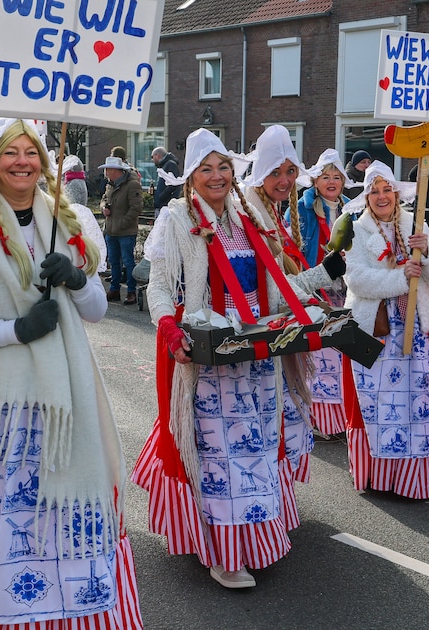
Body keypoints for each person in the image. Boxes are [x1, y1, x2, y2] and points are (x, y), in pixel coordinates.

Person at [0, 118, 140, 628]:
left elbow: (97, 310)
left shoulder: (70, 220)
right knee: (3, 521)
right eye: (11, 152)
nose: (23, 161)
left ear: (44, 159)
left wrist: (78, 280)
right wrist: (19, 329)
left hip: (67, 397)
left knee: (65, 518)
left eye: (31, 151)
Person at [130, 128, 318, 589]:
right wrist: (168, 326)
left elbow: (274, 287)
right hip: (210, 355)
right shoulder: (175, 218)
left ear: (234, 173)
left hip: (256, 351)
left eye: (223, 167)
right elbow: (158, 285)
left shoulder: (247, 215)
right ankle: (222, 554)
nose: (216, 176)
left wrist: (319, 281)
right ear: (191, 176)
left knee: (254, 447)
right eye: (206, 168)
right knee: (219, 456)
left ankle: (253, 537)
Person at [341, 161, 429, 499]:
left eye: (387, 190)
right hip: (375, 330)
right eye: (374, 191)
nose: (382, 197)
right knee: (380, 405)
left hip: (414, 328)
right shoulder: (355, 230)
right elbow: (356, 280)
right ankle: (382, 479)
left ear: (396, 194)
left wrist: (425, 252)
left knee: (417, 404)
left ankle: (416, 479)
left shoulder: (415, 222)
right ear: (366, 197)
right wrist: (401, 277)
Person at [243, 125, 345, 466]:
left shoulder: (269, 209)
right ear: (260, 173)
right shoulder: (253, 213)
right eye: (275, 172)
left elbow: (283, 283)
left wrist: (327, 271)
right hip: (257, 332)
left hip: (274, 328)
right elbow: (277, 292)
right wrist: (323, 274)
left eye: (290, 172)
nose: (285, 180)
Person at [291, 148, 355, 437]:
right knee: (321, 355)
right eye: (325, 177)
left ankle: (343, 419)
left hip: (348, 288)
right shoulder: (300, 210)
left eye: (336, 177)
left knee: (343, 354)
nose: (331, 182)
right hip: (316, 289)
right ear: (315, 182)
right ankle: (319, 419)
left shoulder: (355, 209)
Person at [100, 155, 143, 305]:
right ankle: (115, 290)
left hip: (125, 231)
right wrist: (104, 207)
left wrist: (123, 223)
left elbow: (136, 208)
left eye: (108, 169)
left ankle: (131, 292)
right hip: (111, 230)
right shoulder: (110, 184)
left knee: (128, 262)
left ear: (116, 170)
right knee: (114, 261)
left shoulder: (132, 185)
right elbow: (104, 199)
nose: (105, 172)